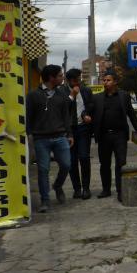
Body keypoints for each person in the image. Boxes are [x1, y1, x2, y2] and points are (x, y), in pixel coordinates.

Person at [90, 70, 137, 202]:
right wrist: (85, 116)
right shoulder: (97, 98)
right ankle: (106, 189)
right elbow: (90, 112)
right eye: (104, 80)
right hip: (104, 136)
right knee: (104, 164)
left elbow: (131, 114)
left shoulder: (123, 96)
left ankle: (121, 191)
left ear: (115, 82)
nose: (105, 82)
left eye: (108, 80)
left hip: (120, 135)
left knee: (121, 163)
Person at [26, 64, 73, 213]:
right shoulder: (33, 95)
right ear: (51, 78)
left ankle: (58, 185)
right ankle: (45, 201)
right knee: (43, 170)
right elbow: (28, 116)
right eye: (60, 75)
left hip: (60, 137)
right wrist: (29, 135)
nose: (62, 78)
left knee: (66, 165)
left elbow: (66, 117)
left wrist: (70, 134)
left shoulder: (62, 95)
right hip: (41, 139)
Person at [64, 68, 95, 200]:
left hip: (83, 129)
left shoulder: (86, 90)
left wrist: (86, 115)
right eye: (76, 80)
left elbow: (91, 106)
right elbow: (63, 109)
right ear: (69, 81)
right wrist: (72, 95)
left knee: (84, 157)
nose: (78, 82)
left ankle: (86, 188)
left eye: (79, 79)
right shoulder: (62, 92)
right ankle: (77, 189)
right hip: (69, 130)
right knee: (72, 161)